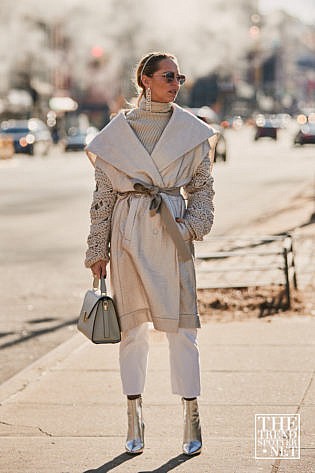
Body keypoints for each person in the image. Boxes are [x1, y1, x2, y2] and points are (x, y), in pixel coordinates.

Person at [84, 52, 216, 456]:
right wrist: (97, 248)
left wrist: (192, 226)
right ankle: (133, 415)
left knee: (183, 332)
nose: (176, 83)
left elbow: (203, 189)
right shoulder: (116, 133)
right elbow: (104, 198)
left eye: (179, 77)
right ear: (145, 80)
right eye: (168, 76)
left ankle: (191, 414)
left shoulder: (191, 131)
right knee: (131, 333)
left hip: (173, 237)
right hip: (127, 239)